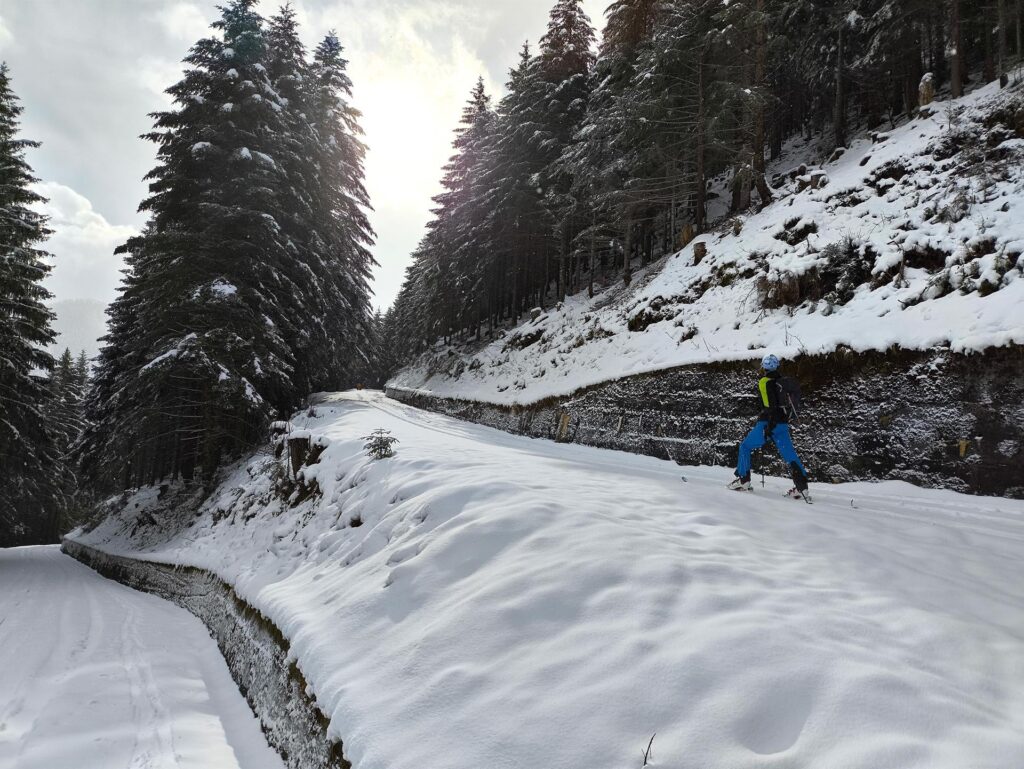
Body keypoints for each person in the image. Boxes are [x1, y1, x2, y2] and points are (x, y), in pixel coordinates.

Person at [727, 354, 811, 500]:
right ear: (777, 366)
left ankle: (743, 480)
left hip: (768, 423)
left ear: (764, 367)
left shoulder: (764, 382)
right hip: (783, 424)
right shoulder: (782, 382)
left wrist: (768, 426)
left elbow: (769, 405)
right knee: (790, 455)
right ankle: (802, 488)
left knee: (745, 446)